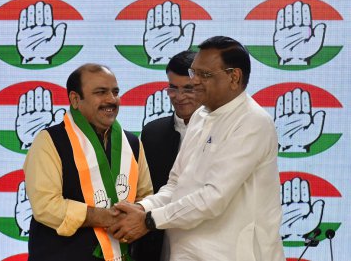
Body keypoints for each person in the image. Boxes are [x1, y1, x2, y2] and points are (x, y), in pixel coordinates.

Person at [108, 36, 285, 261]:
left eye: (205, 75)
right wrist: (142, 208)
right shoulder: (201, 116)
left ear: (234, 77)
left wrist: (149, 220)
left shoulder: (252, 121)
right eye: (195, 73)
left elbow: (213, 198)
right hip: (184, 252)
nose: (196, 81)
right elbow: (176, 185)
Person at [23, 63, 153, 261]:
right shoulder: (50, 140)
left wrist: (138, 214)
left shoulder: (132, 142)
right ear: (75, 99)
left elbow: (146, 196)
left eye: (115, 92)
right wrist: (104, 216)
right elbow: (46, 205)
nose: (111, 100)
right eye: (101, 92)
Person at [133, 50, 201, 261]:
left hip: (203, 242)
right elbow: (146, 190)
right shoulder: (152, 132)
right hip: (156, 243)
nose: (179, 97)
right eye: (173, 88)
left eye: (188, 88)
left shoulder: (222, 131)